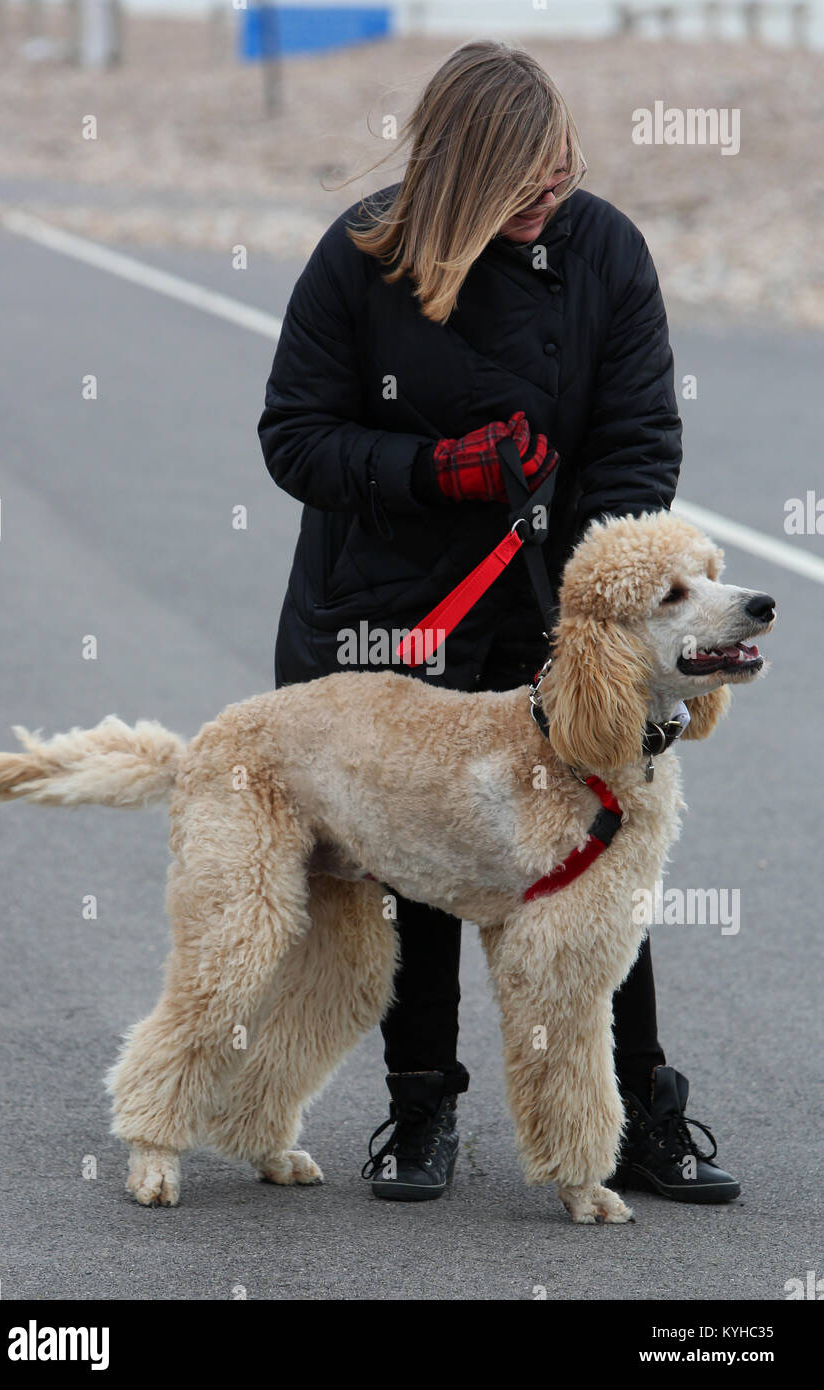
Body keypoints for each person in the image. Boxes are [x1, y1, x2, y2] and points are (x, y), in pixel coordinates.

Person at [258, 39, 739, 1207]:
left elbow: (635, 445)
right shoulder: (362, 256)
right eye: (524, 184)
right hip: (384, 612)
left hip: (548, 614)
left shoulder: (605, 253)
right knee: (406, 867)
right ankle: (418, 1108)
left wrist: (600, 590)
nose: (549, 198)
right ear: (461, 181)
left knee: (594, 863)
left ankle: (638, 1114)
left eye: (562, 170)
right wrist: (436, 471)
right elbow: (293, 437)